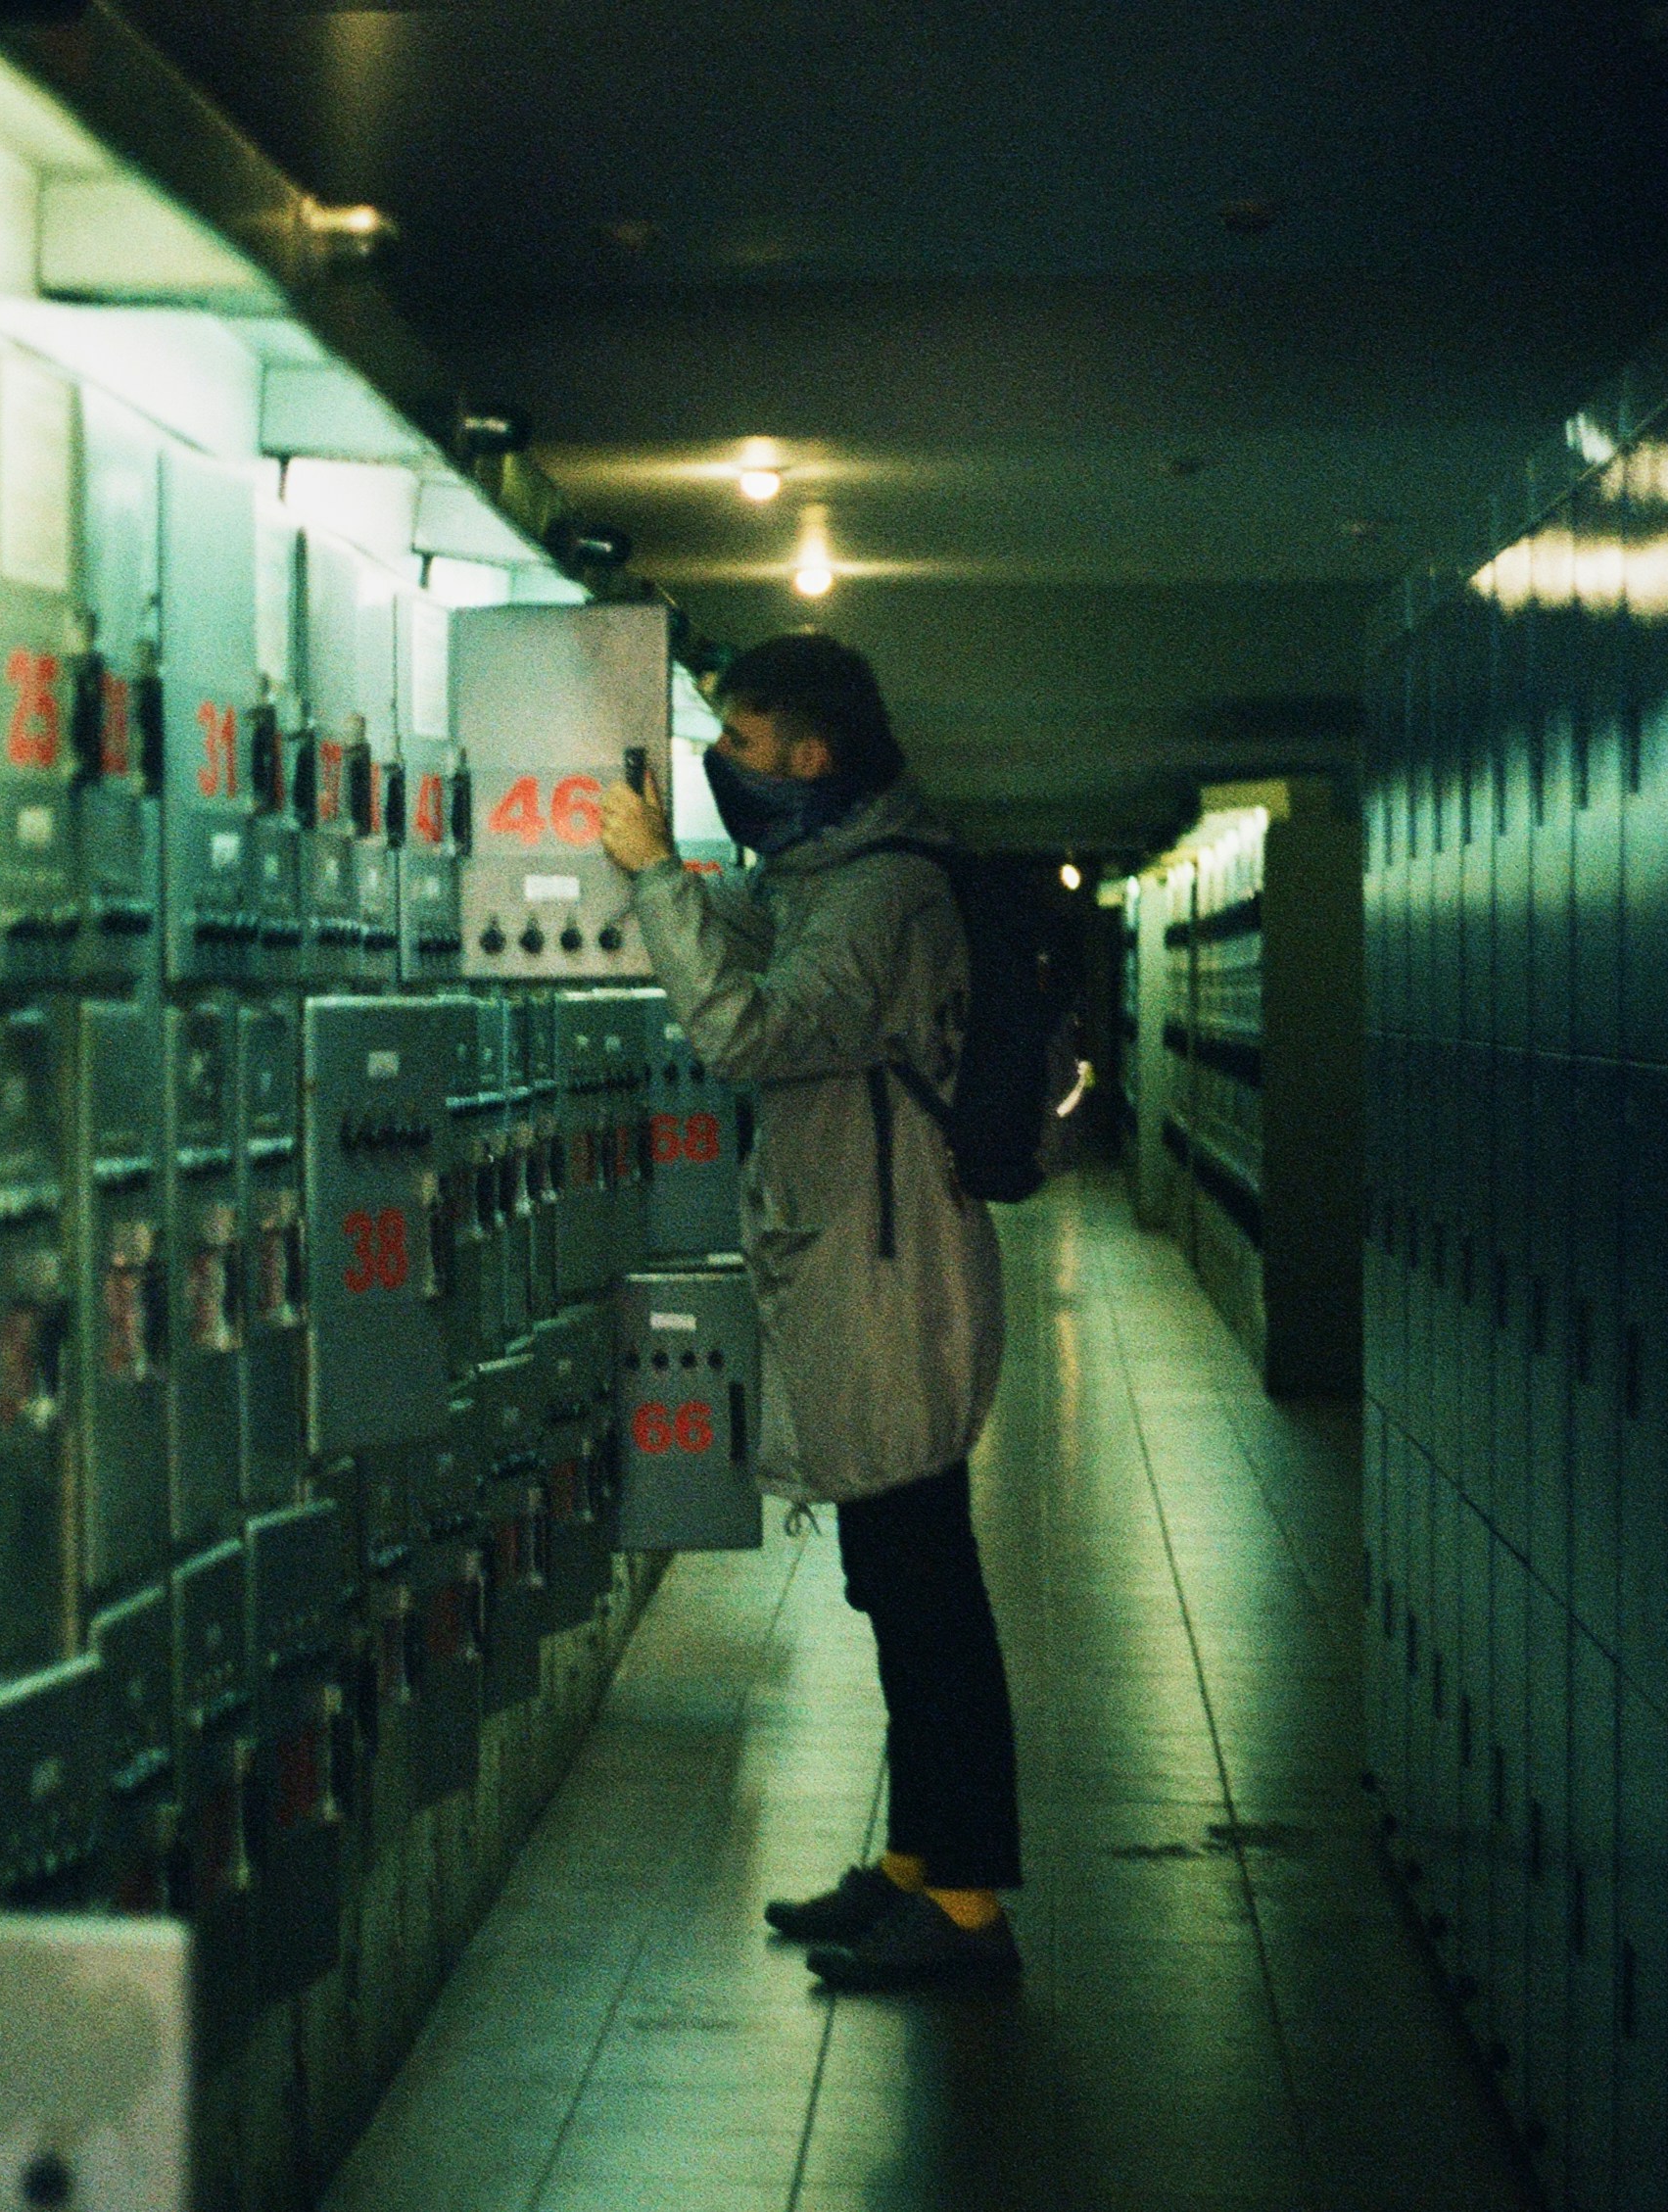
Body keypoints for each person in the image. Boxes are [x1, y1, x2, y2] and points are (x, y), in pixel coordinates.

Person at [596, 631, 1019, 1992]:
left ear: (814, 754)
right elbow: (769, 964)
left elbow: (758, 1032)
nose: (728, 760)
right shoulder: (832, 877)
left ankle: (964, 1909)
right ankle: (915, 1864)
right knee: (898, 1575)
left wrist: (660, 879)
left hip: (892, 1272)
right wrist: (677, 884)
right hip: (860, 1257)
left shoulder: (882, 892)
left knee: (927, 1588)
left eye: (744, 738)